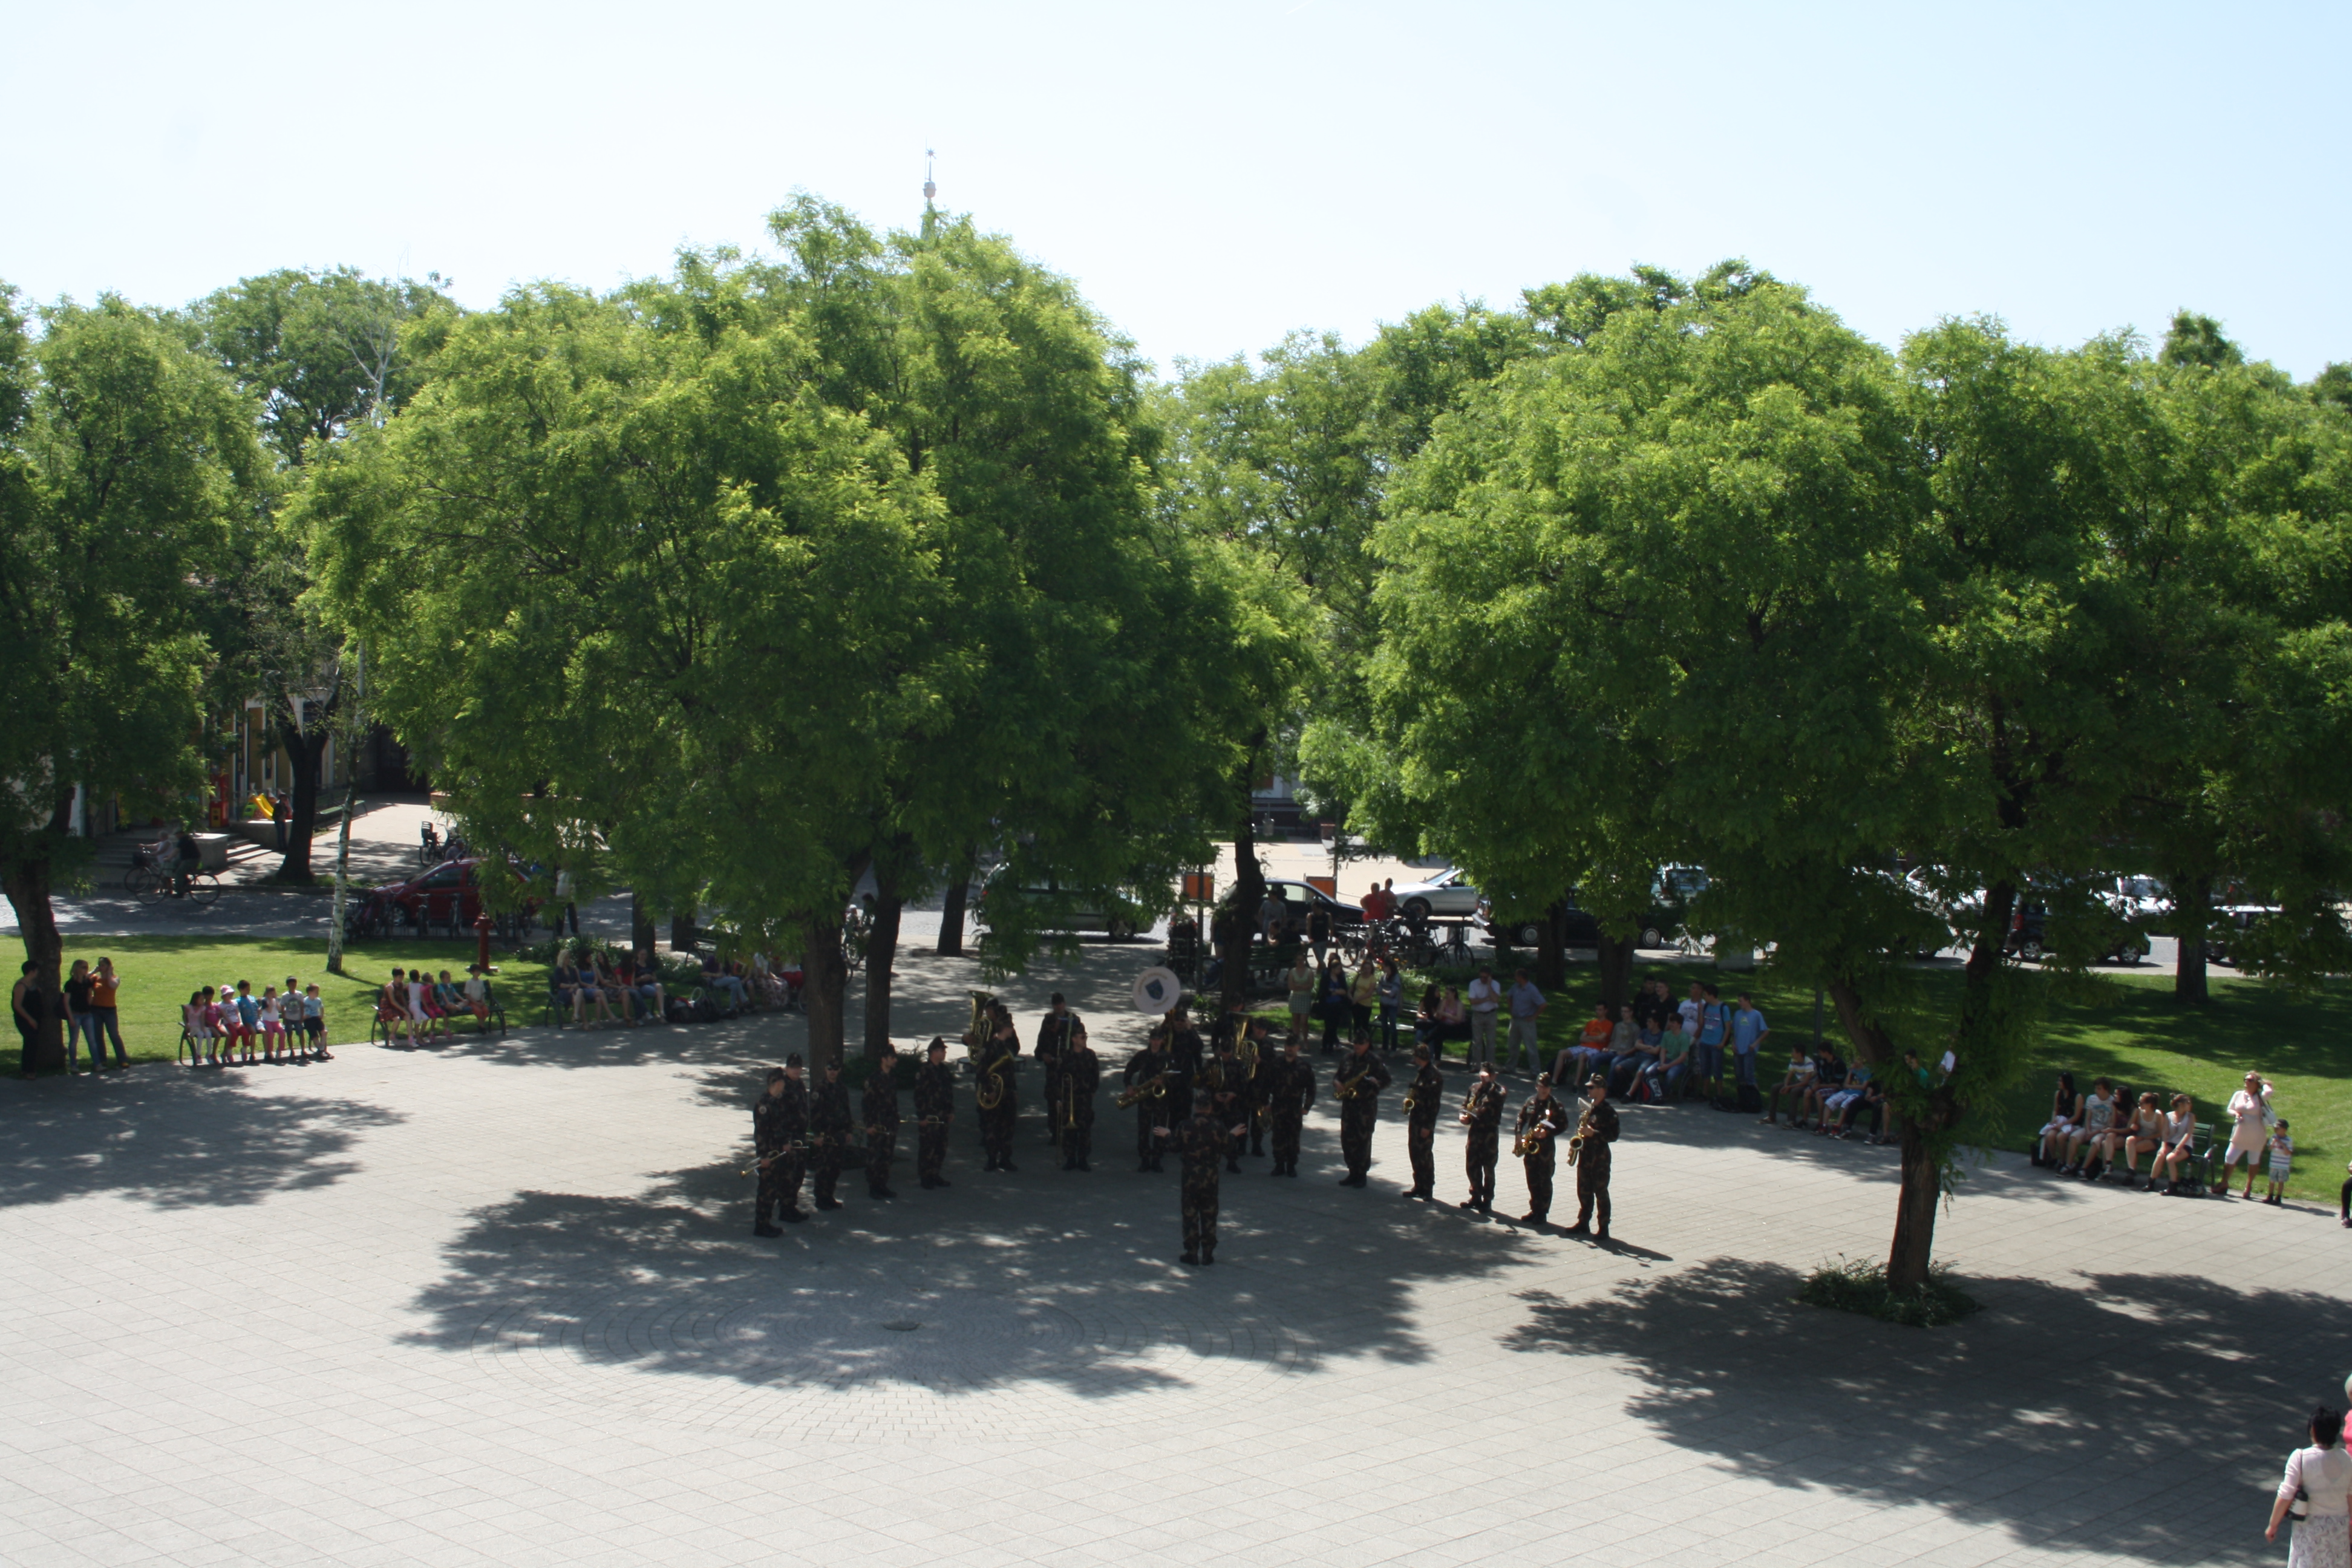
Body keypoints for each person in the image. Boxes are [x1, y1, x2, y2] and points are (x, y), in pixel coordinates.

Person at [1154, 1096, 1244, 1266]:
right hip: (1210, 1179)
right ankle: (1208, 1253)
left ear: (1195, 1107)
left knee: (1190, 1215)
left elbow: (1173, 1147)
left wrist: (1167, 1135)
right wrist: (1233, 1135)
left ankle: (1192, 1253)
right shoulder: (1218, 1126)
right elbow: (1228, 1148)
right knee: (1209, 1215)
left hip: (1190, 1178)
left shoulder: (1185, 1125)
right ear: (1210, 1108)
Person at [2264, 1406, 2351, 1567]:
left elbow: (2285, 1495)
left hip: (2310, 1528)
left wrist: (2273, 1525)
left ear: (2313, 1430)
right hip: (2339, 1528)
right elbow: (2350, 1497)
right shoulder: (2347, 1459)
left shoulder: (2301, 1458)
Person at [750, 1062, 808, 1234]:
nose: (784, 1084)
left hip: (779, 1152)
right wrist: (763, 1156)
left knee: (775, 1187)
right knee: (767, 1191)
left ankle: (769, 1221)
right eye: (782, 1082)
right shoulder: (764, 1105)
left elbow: (780, 1127)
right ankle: (762, 1225)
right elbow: (761, 1134)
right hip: (769, 1154)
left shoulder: (778, 1101)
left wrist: (784, 1142)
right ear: (777, 1083)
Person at [1566, 1074, 1621, 1240]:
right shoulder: (1587, 1109)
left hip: (1600, 1158)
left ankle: (1603, 1227)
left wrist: (1594, 1133)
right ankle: (1583, 1222)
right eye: (1588, 1087)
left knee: (1600, 1192)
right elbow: (1580, 1129)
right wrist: (1575, 1143)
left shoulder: (1609, 1112)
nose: (1588, 1090)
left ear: (1601, 1090)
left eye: (1591, 1087)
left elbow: (1613, 1136)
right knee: (1583, 1190)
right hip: (1585, 1155)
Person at [1332, 1036, 1393, 1186]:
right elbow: (1338, 1075)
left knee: (1363, 1140)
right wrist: (1337, 1083)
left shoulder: (1374, 1061)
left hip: (1366, 1107)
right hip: (1349, 1105)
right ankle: (1352, 1171)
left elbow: (1387, 1080)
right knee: (1347, 1139)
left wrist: (1377, 1082)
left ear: (1367, 1044)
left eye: (1361, 1043)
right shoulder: (1347, 1058)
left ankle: (1361, 1174)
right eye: (1356, 1043)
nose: (1357, 1046)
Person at [970, 1002, 1021, 1172]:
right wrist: (989, 1090)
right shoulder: (990, 1047)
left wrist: (1014, 1091)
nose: (1012, 1030)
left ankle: (1005, 1158)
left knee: (1008, 1127)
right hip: (994, 1093)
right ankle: (991, 1159)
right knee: (992, 1126)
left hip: (1008, 1092)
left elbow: (1011, 1071)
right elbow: (981, 1071)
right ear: (1005, 1028)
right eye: (1010, 1027)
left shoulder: (1008, 1047)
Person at [1514, 1077, 1570, 1224]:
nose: (1544, 1089)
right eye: (1541, 1086)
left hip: (1546, 1148)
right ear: (1536, 1086)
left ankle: (1543, 1212)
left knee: (1544, 1180)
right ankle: (1534, 1209)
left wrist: (1548, 1133)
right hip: (1531, 1145)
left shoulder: (1556, 1105)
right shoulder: (1530, 1101)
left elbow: (1564, 1125)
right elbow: (1521, 1117)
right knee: (1532, 1179)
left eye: (1547, 1087)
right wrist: (1518, 1133)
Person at [2215, 1071, 2277, 1198]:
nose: (2246, 1082)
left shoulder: (2261, 1097)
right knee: (2229, 1157)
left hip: (2256, 1134)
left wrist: (2264, 1083)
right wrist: (2236, 1114)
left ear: (2256, 1084)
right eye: (2246, 1080)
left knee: (2253, 1160)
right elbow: (2229, 1109)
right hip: (2239, 1133)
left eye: (2250, 1080)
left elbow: (2269, 1091)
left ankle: (2249, 1186)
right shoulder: (2238, 1094)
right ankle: (2224, 1183)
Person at [1457, 1065, 1509, 1214]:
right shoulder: (1474, 1088)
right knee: (1472, 1165)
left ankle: (1487, 1199)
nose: (1483, 1077)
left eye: (1487, 1075)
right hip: (1475, 1132)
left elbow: (1497, 1099)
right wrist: (1462, 1115)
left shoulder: (1499, 1090)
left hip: (1489, 1133)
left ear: (1494, 1076)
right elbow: (1465, 1104)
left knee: (1488, 1168)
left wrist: (1489, 1084)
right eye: (1482, 1074)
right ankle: (1475, 1195)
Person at [1264, 1036, 1316, 1177]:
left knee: (1293, 1137)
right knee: (1278, 1136)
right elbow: (1266, 1084)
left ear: (1298, 1048)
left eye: (1293, 1046)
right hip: (1278, 1105)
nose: (1290, 1049)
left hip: (1295, 1107)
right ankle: (1279, 1164)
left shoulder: (1304, 1067)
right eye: (1288, 1046)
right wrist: (1266, 1102)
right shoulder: (1276, 1064)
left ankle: (1291, 1166)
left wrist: (1307, 1106)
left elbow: (1311, 1089)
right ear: (1285, 1047)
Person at [1123, 1027, 1171, 1172]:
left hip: (1161, 1098)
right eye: (1154, 1039)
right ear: (1150, 1040)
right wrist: (1129, 1086)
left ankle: (1157, 1158)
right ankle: (1144, 1158)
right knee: (1143, 1128)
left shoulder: (1168, 1057)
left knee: (1159, 1127)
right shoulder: (1142, 1056)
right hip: (1145, 1097)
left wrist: (1164, 1081)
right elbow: (1129, 1070)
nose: (1156, 1042)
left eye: (1158, 1040)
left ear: (1162, 1041)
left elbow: (1175, 1077)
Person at [808, 1058, 854, 1211]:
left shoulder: (841, 1088)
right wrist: (817, 1135)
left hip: (839, 1134)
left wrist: (849, 1130)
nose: (832, 1072)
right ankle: (820, 1198)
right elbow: (814, 1113)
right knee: (824, 1168)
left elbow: (846, 1110)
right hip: (825, 1134)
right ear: (825, 1069)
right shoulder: (820, 1088)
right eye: (830, 1069)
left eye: (835, 1069)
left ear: (839, 1070)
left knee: (835, 1168)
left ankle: (829, 1196)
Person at [1400, 1042, 1445, 1198]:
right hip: (1416, 1118)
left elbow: (1434, 1105)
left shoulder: (1434, 1075)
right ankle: (1418, 1185)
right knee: (1415, 1152)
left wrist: (1428, 1126)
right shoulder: (1421, 1072)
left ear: (1419, 1057)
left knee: (1425, 1154)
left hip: (1425, 1120)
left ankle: (1427, 1187)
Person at [1035, 994, 1080, 1145]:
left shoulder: (1074, 1020)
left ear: (1064, 1004)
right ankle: (1055, 1133)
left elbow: (1081, 1042)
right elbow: (1040, 1046)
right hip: (1053, 1069)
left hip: (1070, 1068)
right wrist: (1044, 1055)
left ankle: (1070, 1131)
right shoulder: (1048, 1021)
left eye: (1060, 1004)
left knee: (1070, 1100)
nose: (1058, 1007)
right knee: (1053, 1101)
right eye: (1056, 1005)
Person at [1058, 1023, 1099, 1172]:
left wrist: (1092, 1090)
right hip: (1069, 1098)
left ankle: (1083, 1159)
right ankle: (1070, 1158)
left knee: (1085, 1128)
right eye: (1082, 1037)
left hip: (1085, 1098)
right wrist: (1059, 1099)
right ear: (1074, 1039)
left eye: (1085, 1037)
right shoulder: (1065, 1056)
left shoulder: (1090, 1055)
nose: (1085, 1039)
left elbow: (1095, 1075)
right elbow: (1058, 1078)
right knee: (1069, 1129)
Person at [914, 1037, 954, 1189]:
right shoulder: (924, 1071)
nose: (944, 1053)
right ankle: (925, 1176)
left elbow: (948, 1092)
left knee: (940, 1147)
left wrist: (951, 1111)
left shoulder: (944, 1070)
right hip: (930, 1116)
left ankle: (935, 1173)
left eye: (944, 1050)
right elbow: (919, 1095)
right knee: (928, 1147)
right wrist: (922, 1116)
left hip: (943, 1115)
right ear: (933, 1052)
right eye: (942, 1050)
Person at [2059, 1077, 2117, 1176]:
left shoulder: (2113, 1102)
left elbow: (2111, 1123)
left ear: (2106, 1089)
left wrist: (2094, 1133)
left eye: (2099, 1089)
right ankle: (2069, 1165)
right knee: (2074, 1137)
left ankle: (2084, 1168)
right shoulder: (2091, 1099)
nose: (2096, 1091)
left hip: (2102, 1131)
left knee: (2095, 1141)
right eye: (2096, 1088)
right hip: (2089, 1128)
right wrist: (2088, 1131)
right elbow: (2088, 1118)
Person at [2151, 1093, 2199, 1195]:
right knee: (2161, 1154)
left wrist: (2179, 1147)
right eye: (2188, 1102)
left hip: (2185, 1145)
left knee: (2170, 1159)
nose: (2190, 1105)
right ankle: (2151, 1182)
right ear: (2181, 1104)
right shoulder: (2169, 1116)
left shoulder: (2190, 1117)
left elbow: (2188, 1133)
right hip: (2171, 1143)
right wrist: (2163, 1146)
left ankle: (2173, 1187)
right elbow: (2165, 1133)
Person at [1555, 1001, 1612, 1086]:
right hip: (1583, 1046)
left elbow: (1601, 1038)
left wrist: (1589, 1037)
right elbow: (1581, 1038)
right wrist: (1595, 1038)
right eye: (1597, 1010)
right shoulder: (1591, 1023)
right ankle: (1554, 1081)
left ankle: (1576, 1084)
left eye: (1600, 1010)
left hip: (1596, 1049)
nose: (1598, 1012)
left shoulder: (1609, 1024)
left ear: (1605, 1011)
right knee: (1562, 1053)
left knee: (1582, 1056)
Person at [1503, 968, 1546, 1077]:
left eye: (1516, 976)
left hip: (1526, 1021)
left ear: (1521, 977)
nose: (1515, 978)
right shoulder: (1515, 987)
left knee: (1531, 1047)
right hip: (1515, 1020)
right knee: (1512, 1045)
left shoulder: (1532, 990)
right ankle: (1510, 1067)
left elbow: (1543, 1004)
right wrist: (1511, 1010)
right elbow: (1508, 996)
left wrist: (1534, 1016)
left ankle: (1535, 1071)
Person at [2033, 1072, 2082, 1166]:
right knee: (2050, 1136)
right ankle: (2054, 1158)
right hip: (2060, 1122)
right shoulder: (2058, 1094)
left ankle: (2064, 1161)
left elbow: (2077, 1116)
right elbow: (2056, 1110)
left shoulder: (2077, 1097)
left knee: (2060, 1137)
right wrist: (2054, 1120)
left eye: (2060, 1081)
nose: (2058, 1083)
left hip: (2073, 1124)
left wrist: (2064, 1124)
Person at [85, 957, 125, 1071]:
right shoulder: (95, 978)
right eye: (100, 965)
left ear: (109, 966)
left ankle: (123, 1060)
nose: (101, 967)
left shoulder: (115, 978)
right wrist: (94, 971)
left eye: (103, 965)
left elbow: (113, 986)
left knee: (114, 1035)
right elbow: (82, 979)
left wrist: (109, 973)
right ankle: (102, 1060)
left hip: (110, 1011)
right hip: (96, 1010)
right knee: (98, 1036)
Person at [1763, 1041, 1815, 1127]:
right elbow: (1788, 1076)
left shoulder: (1809, 1063)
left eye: (1793, 1052)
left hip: (1807, 1085)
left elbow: (1806, 1082)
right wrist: (1786, 1086)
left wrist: (1790, 1087)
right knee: (1775, 1087)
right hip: (1798, 1082)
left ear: (1799, 1054)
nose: (1792, 1054)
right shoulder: (1794, 1061)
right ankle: (1771, 1117)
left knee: (1794, 1091)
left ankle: (1791, 1120)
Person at [1729, 992, 1770, 1097]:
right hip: (1738, 1049)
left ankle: (1756, 1098)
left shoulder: (1756, 1015)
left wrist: (1755, 1044)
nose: (1739, 1003)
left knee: (1749, 1076)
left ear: (1748, 1001)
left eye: (1741, 1001)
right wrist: (1733, 1042)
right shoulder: (1738, 1014)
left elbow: (1766, 1032)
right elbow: (1735, 1030)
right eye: (1739, 1001)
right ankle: (1744, 1098)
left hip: (1749, 1049)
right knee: (1739, 1075)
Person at [61, 959, 94, 1074]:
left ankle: (97, 1064)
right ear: (77, 969)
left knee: (92, 1040)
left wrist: (91, 1007)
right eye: (83, 967)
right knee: (74, 1041)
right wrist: (70, 1018)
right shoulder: (70, 984)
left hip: (87, 1014)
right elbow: (66, 1002)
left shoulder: (87, 982)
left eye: (87, 967)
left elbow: (90, 995)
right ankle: (74, 1066)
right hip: (75, 1014)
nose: (86, 970)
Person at [1466, 965, 1502, 1068]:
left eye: (1485, 978)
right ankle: (1476, 1065)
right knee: (1477, 1041)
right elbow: (1473, 1001)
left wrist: (1489, 986)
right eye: (1481, 977)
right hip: (1478, 1014)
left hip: (1491, 1014)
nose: (1483, 979)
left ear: (1490, 977)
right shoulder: (1474, 984)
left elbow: (1495, 999)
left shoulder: (1495, 985)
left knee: (1491, 1041)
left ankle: (1490, 1066)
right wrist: (1487, 999)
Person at [1318, 956, 1349, 1054]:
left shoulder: (1340, 978)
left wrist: (1335, 991)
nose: (1340, 971)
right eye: (1338, 969)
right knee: (1328, 1027)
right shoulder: (1326, 978)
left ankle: (1331, 1046)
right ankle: (1325, 1046)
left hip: (1338, 1005)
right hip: (1328, 1005)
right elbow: (1325, 991)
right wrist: (1337, 991)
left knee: (1335, 1027)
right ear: (1333, 969)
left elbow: (1345, 990)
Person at [1285, 952, 1317, 1046]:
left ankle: (1305, 1041)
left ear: (1305, 961)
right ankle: (1296, 1041)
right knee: (1295, 1021)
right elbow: (1291, 986)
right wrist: (1303, 986)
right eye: (1298, 960)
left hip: (1305, 998)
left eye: (1302, 960)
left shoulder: (1309, 972)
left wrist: (1299, 986)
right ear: (1295, 961)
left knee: (1304, 1022)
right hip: (1295, 998)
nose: (1300, 962)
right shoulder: (1292, 972)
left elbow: (1310, 985)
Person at [2264, 1119, 2293, 1207]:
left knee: (2281, 1181)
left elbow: (2288, 1153)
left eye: (2278, 1128)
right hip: (2274, 1163)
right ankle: (2270, 1196)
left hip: (2283, 1164)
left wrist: (2282, 1144)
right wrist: (2273, 1143)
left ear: (2284, 1129)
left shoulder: (2288, 1140)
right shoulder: (2273, 1137)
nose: (2276, 1129)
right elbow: (2270, 1148)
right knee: (2272, 1180)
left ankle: (2278, 1197)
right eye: (2275, 1128)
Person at [302, 983, 328, 1059]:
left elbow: (321, 1007)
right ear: (310, 992)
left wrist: (321, 1015)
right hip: (308, 1020)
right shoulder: (305, 1001)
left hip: (316, 1018)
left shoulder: (318, 1000)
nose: (317, 993)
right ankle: (321, 1050)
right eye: (316, 992)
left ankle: (321, 1049)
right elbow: (302, 1011)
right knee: (315, 1036)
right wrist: (303, 1017)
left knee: (324, 1032)